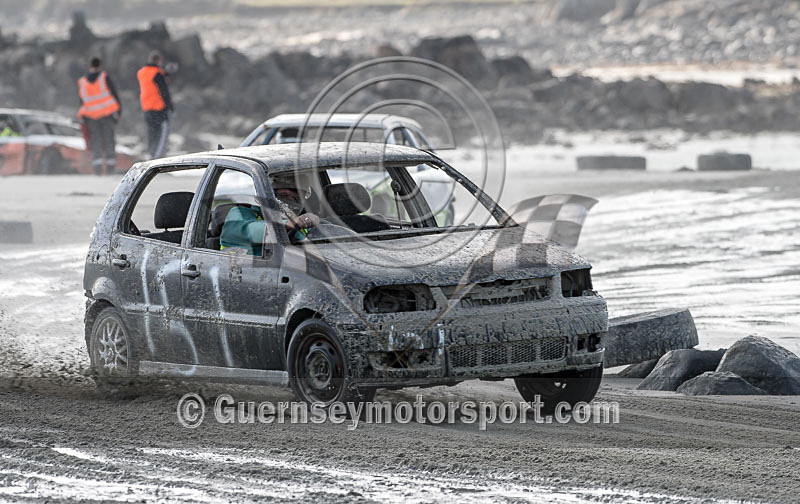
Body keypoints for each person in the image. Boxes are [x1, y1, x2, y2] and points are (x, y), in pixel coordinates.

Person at [219, 176, 319, 255]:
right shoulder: (239, 213)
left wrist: (318, 223)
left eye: (296, 197)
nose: (290, 201)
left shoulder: (302, 223)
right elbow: (249, 231)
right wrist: (289, 224)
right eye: (283, 195)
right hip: (243, 275)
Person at [77, 57, 121, 175]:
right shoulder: (104, 78)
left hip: (91, 117)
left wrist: (84, 118)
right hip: (107, 115)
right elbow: (114, 94)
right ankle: (110, 169)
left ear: (90, 66)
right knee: (109, 141)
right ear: (100, 65)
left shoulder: (83, 81)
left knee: (95, 142)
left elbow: (81, 101)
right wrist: (119, 112)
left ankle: (97, 168)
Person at [137, 50, 173, 159]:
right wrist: (170, 105)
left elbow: (152, 80)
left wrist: (165, 72)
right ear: (159, 61)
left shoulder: (141, 72)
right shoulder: (157, 73)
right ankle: (157, 159)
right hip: (159, 108)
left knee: (151, 133)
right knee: (161, 134)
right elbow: (163, 90)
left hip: (147, 108)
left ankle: (151, 155)